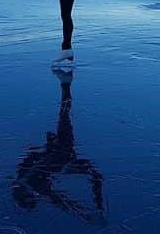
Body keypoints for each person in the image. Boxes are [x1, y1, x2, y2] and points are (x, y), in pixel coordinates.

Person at [12, 70, 105, 225]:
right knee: (64, 114)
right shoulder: (27, 181)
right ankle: (65, 85)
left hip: (62, 153)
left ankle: (65, 85)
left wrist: (85, 214)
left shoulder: (32, 183)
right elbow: (60, 201)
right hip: (61, 155)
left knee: (64, 114)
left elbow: (60, 201)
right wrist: (84, 214)